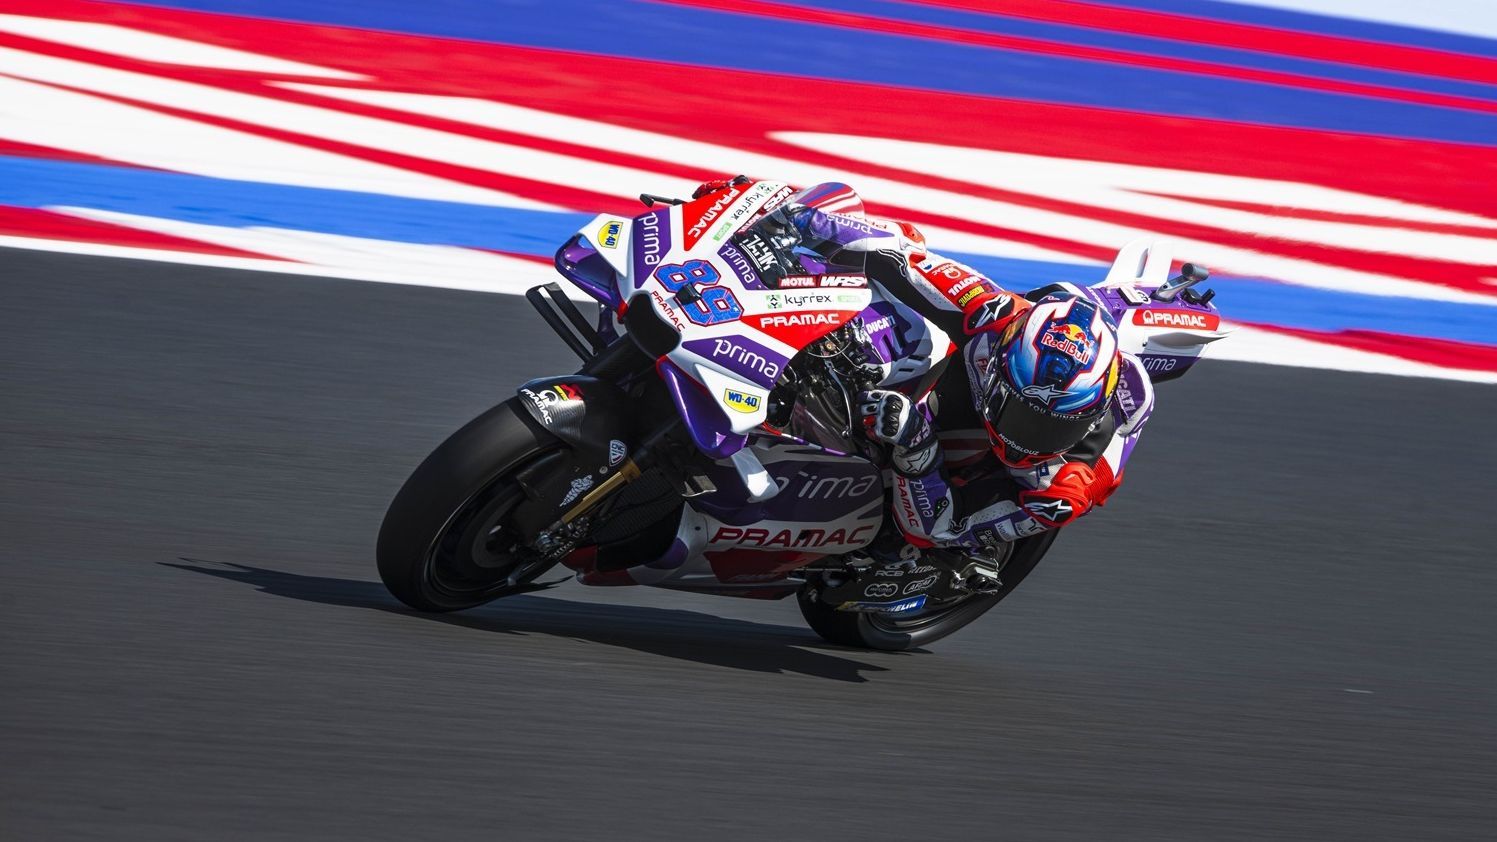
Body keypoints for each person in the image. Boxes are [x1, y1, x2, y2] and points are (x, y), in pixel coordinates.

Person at [692, 176, 1154, 551]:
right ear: (998, 372)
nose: (1026, 437)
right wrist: (790, 221)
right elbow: (899, 252)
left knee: (935, 527)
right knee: (896, 240)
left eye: (1048, 427)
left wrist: (915, 447)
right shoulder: (992, 313)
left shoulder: (1058, 487)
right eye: (1022, 413)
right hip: (983, 358)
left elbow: (938, 527)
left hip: (960, 503)